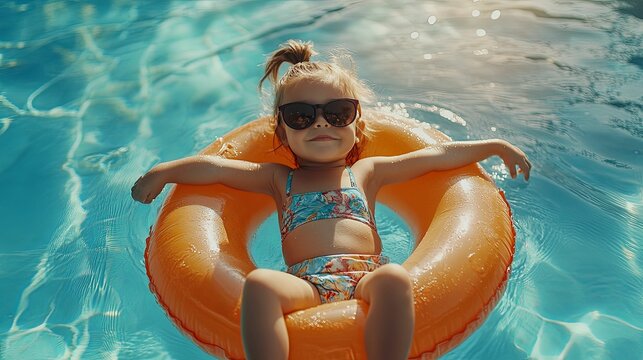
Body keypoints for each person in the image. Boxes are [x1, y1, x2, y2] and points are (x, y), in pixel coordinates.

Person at [131, 39, 531, 360]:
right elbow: (216, 169)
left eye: (338, 112)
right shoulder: (276, 179)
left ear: (358, 126)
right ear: (282, 132)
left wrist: (491, 146)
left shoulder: (366, 174)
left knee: (394, 279)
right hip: (306, 284)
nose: (321, 122)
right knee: (259, 286)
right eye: (302, 115)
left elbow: (431, 158)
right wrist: (163, 172)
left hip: (366, 279)